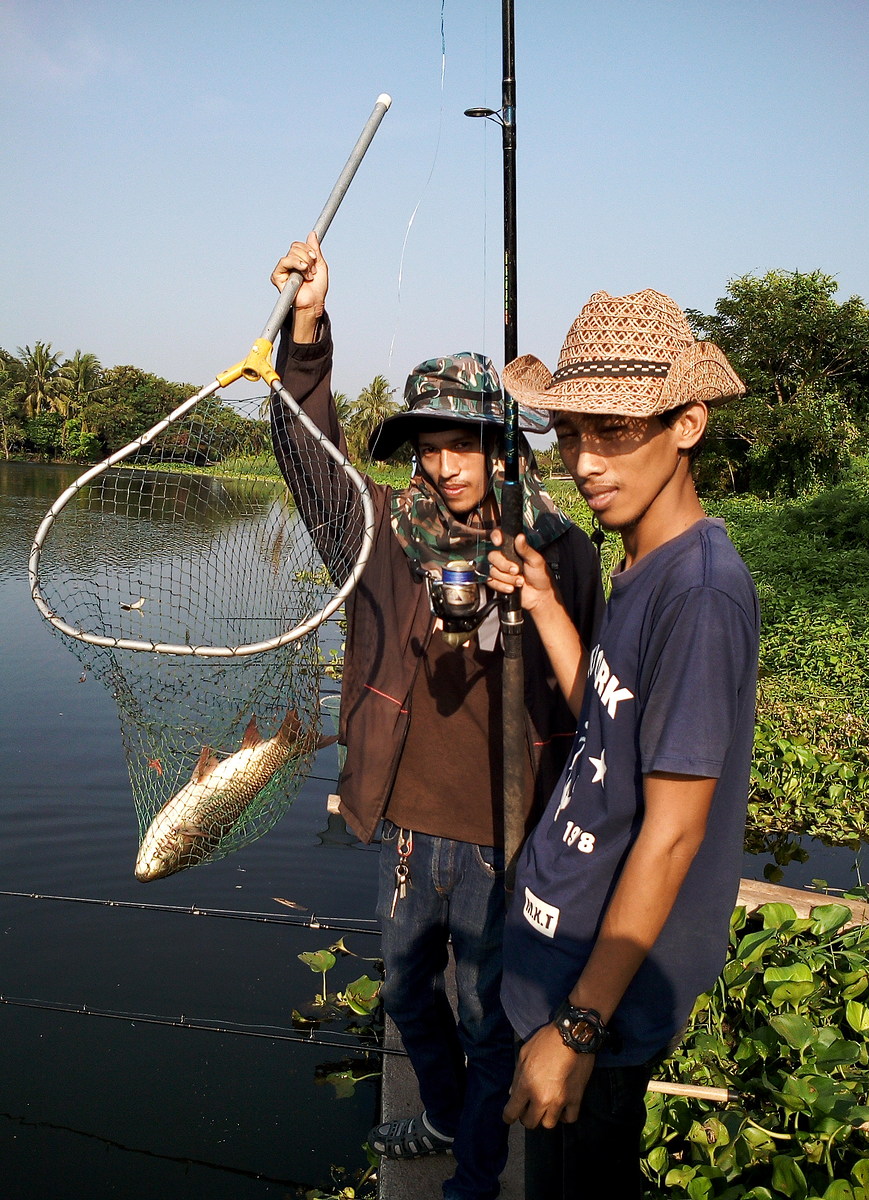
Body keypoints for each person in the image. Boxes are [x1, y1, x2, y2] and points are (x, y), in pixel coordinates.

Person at [267, 235, 602, 1200]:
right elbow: (307, 456)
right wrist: (308, 326)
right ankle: (453, 1119)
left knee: (489, 1013)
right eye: (430, 446)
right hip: (409, 830)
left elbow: (592, 703)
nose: (447, 465)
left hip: (507, 835)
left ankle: (477, 1175)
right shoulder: (380, 538)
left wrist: (531, 594)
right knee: (412, 998)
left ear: (506, 445)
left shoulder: (562, 551)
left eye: (466, 442)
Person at [487, 287, 760, 1199]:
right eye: (569, 433)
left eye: (612, 431)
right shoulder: (638, 558)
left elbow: (675, 833)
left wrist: (576, 1031)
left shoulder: (702, 593)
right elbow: (605, 714)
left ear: (687, 425)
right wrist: (544, 604)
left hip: (597, 996)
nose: (584, 462)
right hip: (555, 949)